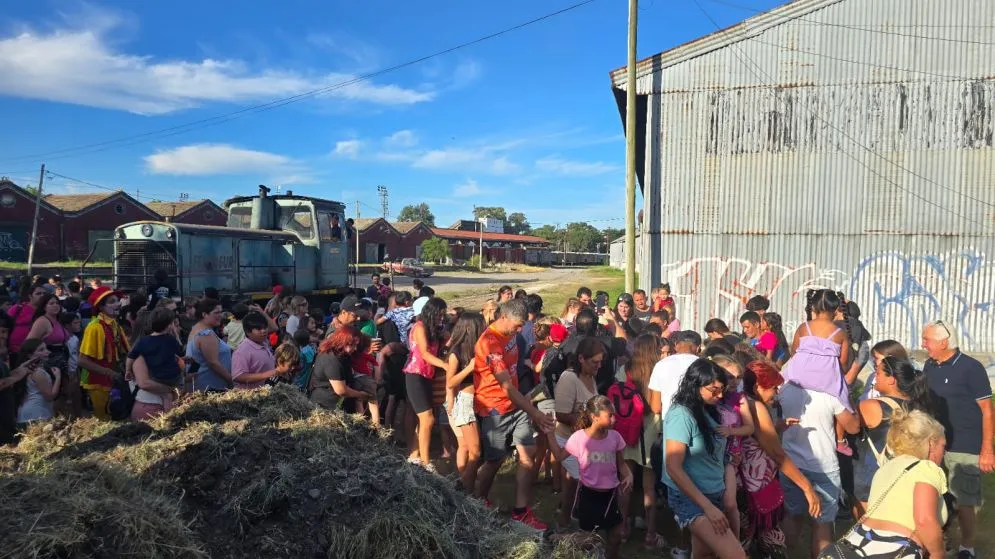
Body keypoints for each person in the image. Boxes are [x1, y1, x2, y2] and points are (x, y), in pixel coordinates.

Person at [473, 299, 556, 529]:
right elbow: (506, 388)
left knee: (527, 454)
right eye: (518, 326)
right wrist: (536, 414)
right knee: (495, 460)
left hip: (517, 405)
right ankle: (476, 504)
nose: (520, 331)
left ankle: (521, 511)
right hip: (495, 408)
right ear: (504, 317)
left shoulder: (512, 334)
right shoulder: (489, 343)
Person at [823, 409, 948, 559]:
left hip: (860, 543)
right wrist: (938, 552)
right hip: (893, 548)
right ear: (931, 444)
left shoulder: (885, 468)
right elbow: (923, 520)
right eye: (943, 445)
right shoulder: (926, 468)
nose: (944, 452)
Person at [921, 321, 992, 559]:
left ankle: (967, 547)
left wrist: (987, 450)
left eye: (927, 339)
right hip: (934, 444)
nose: (923, 344)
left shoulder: (971, 368)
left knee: (964, 500)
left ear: (944, 342)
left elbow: (987, 410)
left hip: (965, 444)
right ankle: (942, 542)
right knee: (934, 497)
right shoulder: (929, 366)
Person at [662, 358, 746, 559]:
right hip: (692, 499)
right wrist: (708, 508)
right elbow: (673, 467)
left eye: (722, 390)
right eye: (713, 390)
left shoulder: (708, 409)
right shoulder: (681, 414)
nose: (719, 395)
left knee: (704, 555)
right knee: (736, 555)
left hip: (713, 492)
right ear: (695, 385)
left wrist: (727, 460)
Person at [778, 358, 861, 558]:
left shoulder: (785, 390)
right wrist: (846, 396)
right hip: (824, 466)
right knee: (823, 523)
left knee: (792, 515)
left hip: (790, 464)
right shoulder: (830, 395)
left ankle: (787, 555)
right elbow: (853, 427)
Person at [738, 360, 817, 558]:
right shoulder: (757, 407)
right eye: (773, 388)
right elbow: (778, 455)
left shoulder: (742, 400)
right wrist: (806, 487)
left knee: (742, 544)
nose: (776, 393)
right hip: (756, 490)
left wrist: (777, 428)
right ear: (758, 387)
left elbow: (756, 437)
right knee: (772, 546)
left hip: (743, 486)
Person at [546, 395, 633, 559]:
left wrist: (628, 475)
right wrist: (550, 433)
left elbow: (621, 464)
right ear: (595, 417)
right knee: (588, 541)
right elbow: (558, 456)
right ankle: (557, 538)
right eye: (610, 416)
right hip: (589, 496)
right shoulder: (579, 438)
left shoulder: (615, 437)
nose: (615, 419)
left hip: (610, 496)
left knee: (616, 535)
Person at [853, 356, 932, 512]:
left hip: (873, 479)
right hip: (907, 476)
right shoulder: (919, 406)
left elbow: (847, 424)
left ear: (891, 380)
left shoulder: (872, 406)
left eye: (878, 372)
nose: (875, 377)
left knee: (872, 529)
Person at [781, 289, 853, 456]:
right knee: (846, 410)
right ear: (836, 310)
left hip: (796, 381)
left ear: (813, 307)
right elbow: (843, 362)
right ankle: (840, 441)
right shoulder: (840, 333)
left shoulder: (803, 327)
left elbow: (794, 352)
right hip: (827, 385)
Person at [617, 334, 667, 549]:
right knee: (649, 487)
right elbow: (659, 405)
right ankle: (651, 534)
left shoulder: (626, 368)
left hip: (627, 429)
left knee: (625, 483)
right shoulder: (660, 370)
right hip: (651, 431)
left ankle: (622, 529)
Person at [553, 337, 603, 527]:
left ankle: (567, 517)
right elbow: (561, 414)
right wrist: (591, 423)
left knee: (574, 484)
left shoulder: (590, 376)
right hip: (567, 441)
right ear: (581, 358)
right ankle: (582, 522)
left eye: (600, 362)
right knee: (587, 481)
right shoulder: (569, 378)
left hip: (585, 441)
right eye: (595, 362)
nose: (599, 366)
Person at [403, 297, 449, 468]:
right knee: (427, 419)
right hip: (415, 375)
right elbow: (424, 353)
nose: (442, 318)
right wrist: (444, 365)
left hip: (427, 376)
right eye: (439, 314)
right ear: (431, 312)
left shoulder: (434, 330)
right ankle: (425, 462)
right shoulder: (420, 327)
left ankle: (414, 454)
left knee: (423, 420)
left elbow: (447, 343)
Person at [444, 312, 485, 493]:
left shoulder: (479, 348)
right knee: (474, 451)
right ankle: (462, 487)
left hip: (479, 401)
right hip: (465, 402)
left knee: (470, 448)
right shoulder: (456, 352)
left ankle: (466, 486)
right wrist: (469, 368)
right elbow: (451, 382)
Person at [78, 286, 130, 420]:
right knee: (104, 420)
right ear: (100, 307)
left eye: (117, 300)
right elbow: (82, 361)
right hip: (98, 382)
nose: (118, 304)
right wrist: (110, 373)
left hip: (112, 380)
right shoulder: (95, 327)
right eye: (112, 301)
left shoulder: (114, 324)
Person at [310, 326, 374, 410]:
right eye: (352, 345)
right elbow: (341, 390)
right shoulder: (331, 358)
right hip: (325, 407)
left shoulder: (342, 354)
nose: (354, 348)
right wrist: (361, 395)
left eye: (356, 345)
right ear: (342, 341)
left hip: (337, 404)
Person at [231, 312, 294, 389]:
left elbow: (274, 328)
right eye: (258, 329)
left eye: (265, 327)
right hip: (253, 397)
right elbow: (238, 376)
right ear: (248, 332)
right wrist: (266, 374)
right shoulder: (242, 350)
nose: (263, 331)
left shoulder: (263, 342)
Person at [185, 298, 232, 392]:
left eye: (221, 312)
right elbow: (213, 363)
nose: (220, 315)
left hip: (202, 385)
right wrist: (231, 380)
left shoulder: (197, 329)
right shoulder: (206, 334)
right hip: (211, 388)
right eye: (216, 312)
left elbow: (195, 360)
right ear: (204, 314)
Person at [14, 339, 61, 425]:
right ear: (29, 355)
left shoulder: (28, 371)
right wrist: (58, 377)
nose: (47, 352)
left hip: (29, 412)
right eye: (41, 350)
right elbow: (50, 396)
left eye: (46, 348)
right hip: (37, 414)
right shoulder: (38, 373)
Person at [6, 281, 45, 368]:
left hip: (38, 353)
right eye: (38, 293)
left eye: (44, 293)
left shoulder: (47, 311)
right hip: (15, 353)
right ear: (30, 296)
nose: (42, 295)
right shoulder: (17, 309)